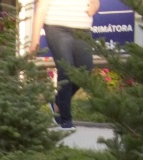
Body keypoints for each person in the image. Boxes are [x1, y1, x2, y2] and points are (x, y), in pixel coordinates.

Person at [30, 0, 99, 130]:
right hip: (57, 28)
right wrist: (35, 41)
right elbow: (41, 9)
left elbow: (95, 2)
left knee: (86, 71)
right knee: (66, 69)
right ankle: (65, 119)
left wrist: (94, 6)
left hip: (83, 29)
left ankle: (58, 103)